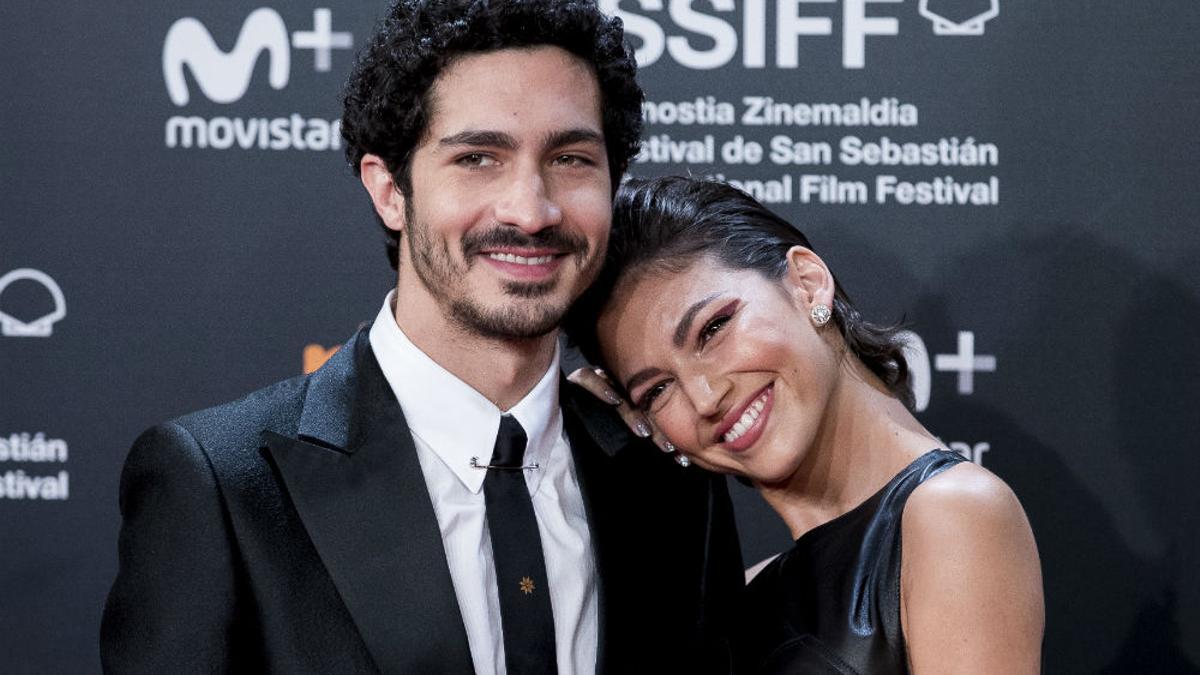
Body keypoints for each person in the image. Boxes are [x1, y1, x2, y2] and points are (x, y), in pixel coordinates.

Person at [100, 5, 743, 674]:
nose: (531, 209)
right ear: (389, 190)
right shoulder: (221, 484)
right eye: (478, 158)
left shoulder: (671, 482)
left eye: (572, 158)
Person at [567, 176, 1044, 674]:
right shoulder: (742, 600)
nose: (705, 399)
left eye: (713, 329)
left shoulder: (952, 513)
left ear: (806, 282)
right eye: (658, 390)